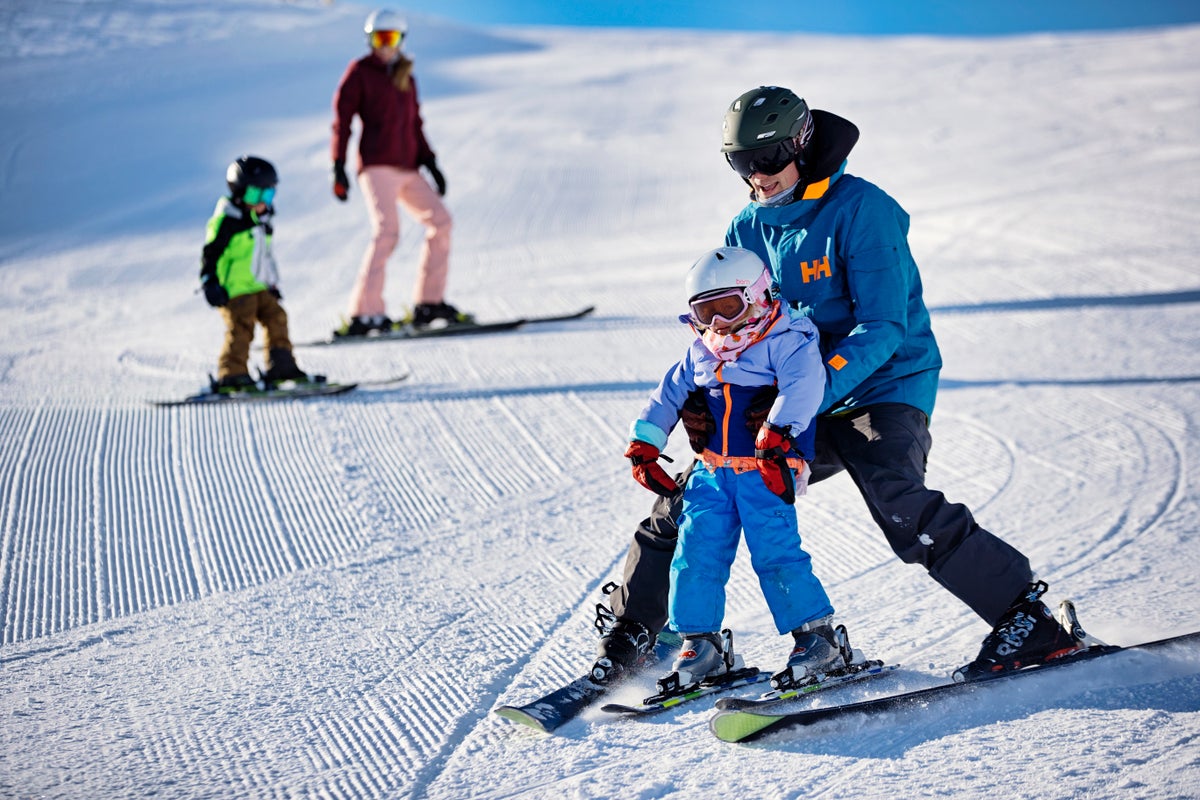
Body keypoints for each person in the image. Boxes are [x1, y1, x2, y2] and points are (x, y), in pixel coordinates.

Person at [593, 85, 1085, 684]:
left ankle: (1025, 619)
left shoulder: (864, 211)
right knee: (696, 492)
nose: (757, 176)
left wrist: (803, 400)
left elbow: (885, 325)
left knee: (895, 495)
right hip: (787, 397)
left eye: (769, 159)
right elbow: (737, 325)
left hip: (882, 384)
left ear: (800, 145)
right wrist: (717, 405)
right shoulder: (748, 225)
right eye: (742, 163)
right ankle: (635, 633)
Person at [620, 246, 850, 693]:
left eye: (729, 307)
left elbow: (805, 384)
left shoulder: (789, 338)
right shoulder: (701, 352)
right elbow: (667, 395)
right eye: (706, 312)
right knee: (695, 558)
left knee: (776, 554)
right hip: (711, 473)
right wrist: (645, 444)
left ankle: (817, 638)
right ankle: (700, 644)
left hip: (765, 471)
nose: (719, 323)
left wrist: (778, 433)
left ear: (758, 295)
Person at [329, 9, 469, 338]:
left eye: (390, 38)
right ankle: (365, 313)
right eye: (378, 39)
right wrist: (338, 165)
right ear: (369, 40)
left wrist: (431, 162)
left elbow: (415, 125)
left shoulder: (407, 77)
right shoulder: (360, 72)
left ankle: (428, 303)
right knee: (387, 232)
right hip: (377, 165)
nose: (384, 46)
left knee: (441, 221)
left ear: (401, 40)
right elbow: (343, 120)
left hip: (408, 166)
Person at [199, 156, 309, 392]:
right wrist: (209, 281)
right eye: (254, 196)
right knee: (241, 328)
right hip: (235, 290)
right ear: (238, 194)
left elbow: (265, 256)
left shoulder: (262, 221)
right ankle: (232, 374)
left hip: (259, 286)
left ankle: (281, 366)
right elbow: (210, 254)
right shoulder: (227, 222)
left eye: (267, 195)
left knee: (277, 317)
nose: (261, 202)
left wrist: (272, 283)